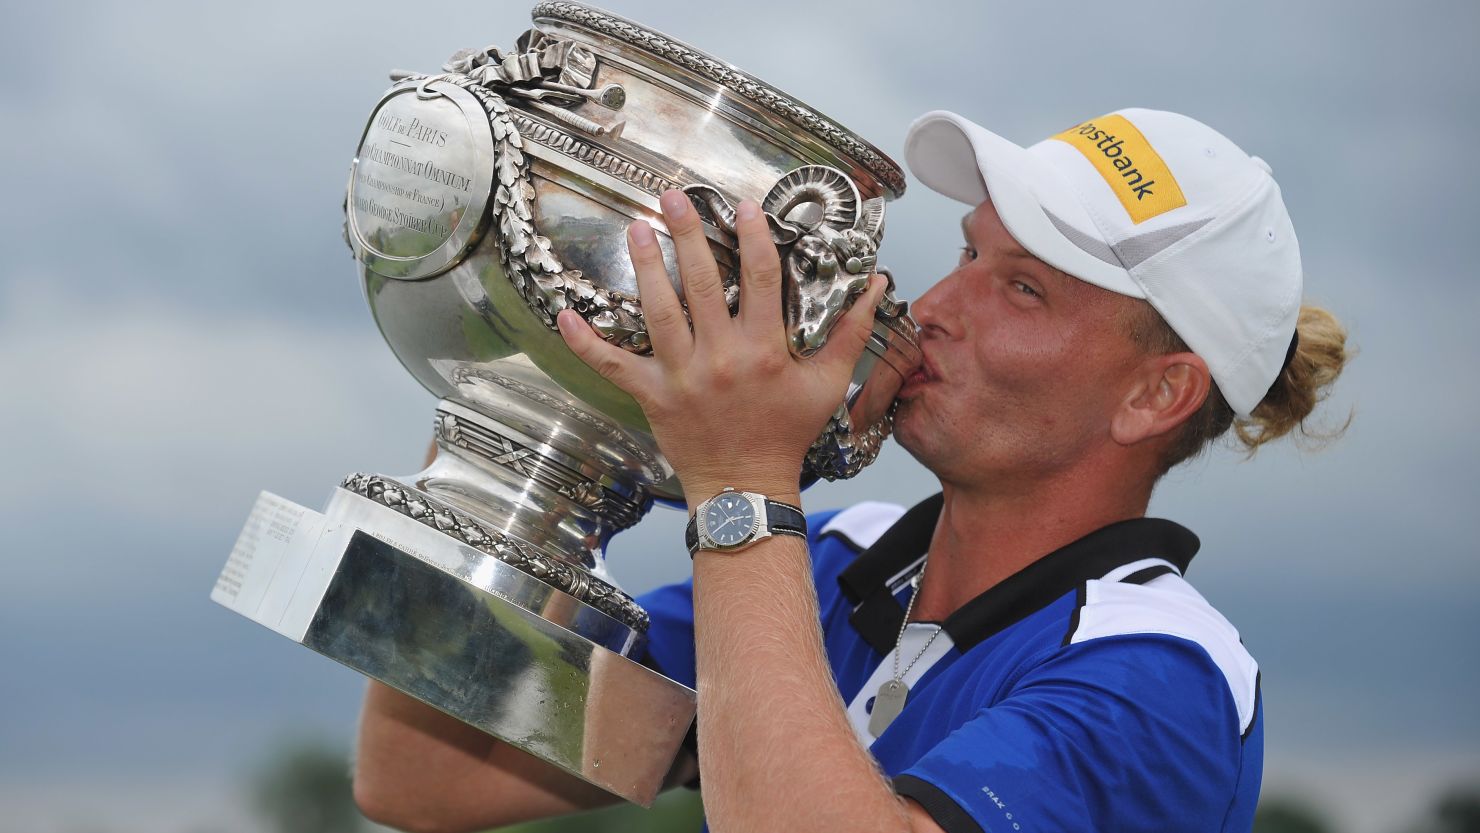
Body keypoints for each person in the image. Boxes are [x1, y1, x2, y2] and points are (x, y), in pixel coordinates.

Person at [352, 107, 1349, 833]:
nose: (933, 303)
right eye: (966, 252)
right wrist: (541, 436)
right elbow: (425, 776)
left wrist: (741, 480)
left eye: (1022, 288)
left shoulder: (1161, 674)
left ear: (1155, 395)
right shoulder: (840, 564)